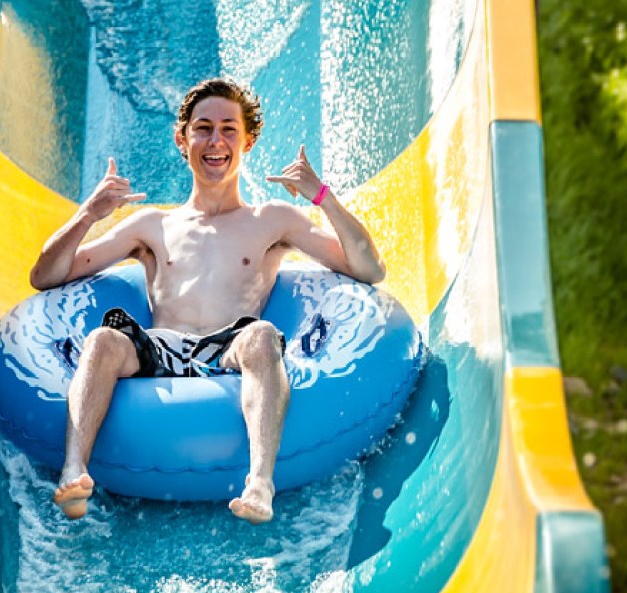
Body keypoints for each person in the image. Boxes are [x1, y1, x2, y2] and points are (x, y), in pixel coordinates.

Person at [29, 78, 385, 524]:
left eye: (228, 129)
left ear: (248, 140)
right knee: (102, 339)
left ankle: (259, 482)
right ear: (183, 139)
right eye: (203, 128)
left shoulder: (272, 220)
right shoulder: (152, 226)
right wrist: (88, 214)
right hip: (159, 348)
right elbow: (45, 276)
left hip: (230, 348)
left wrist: (321, 196)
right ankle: (74, 470)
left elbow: (369, 269)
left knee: (259, 337)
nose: (215, 141)